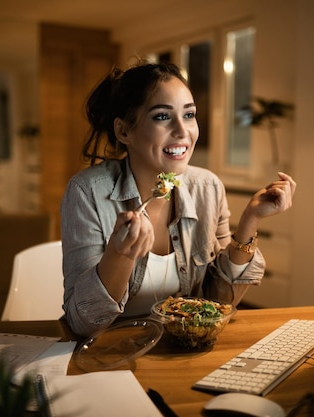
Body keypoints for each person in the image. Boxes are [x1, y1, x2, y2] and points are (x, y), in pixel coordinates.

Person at [60, 61, 296, 336]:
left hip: (181, 348)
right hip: (107, 351)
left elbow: (218, 305)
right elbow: (83, 323)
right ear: (124, 131)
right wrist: (120, 254)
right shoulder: (87, 191)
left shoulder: (207, 187)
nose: (183, 131)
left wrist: (250, 221)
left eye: (189, 115)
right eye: (162, 116)